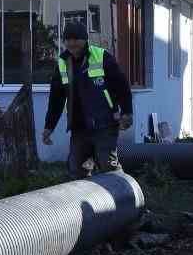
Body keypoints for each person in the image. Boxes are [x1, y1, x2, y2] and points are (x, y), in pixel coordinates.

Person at [41, 21, 133, 179]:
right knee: (77, 169)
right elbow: (56, 99)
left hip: (105, 124)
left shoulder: (102, 57)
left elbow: (122, 86)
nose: (72, 43)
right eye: (68, 39)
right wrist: (49, 127)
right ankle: (89, 201)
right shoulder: (62, 64)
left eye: (76, 39)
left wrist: (126, 112)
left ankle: (123, 198)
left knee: (108, 167)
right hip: (79, 127)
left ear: (84, 40)